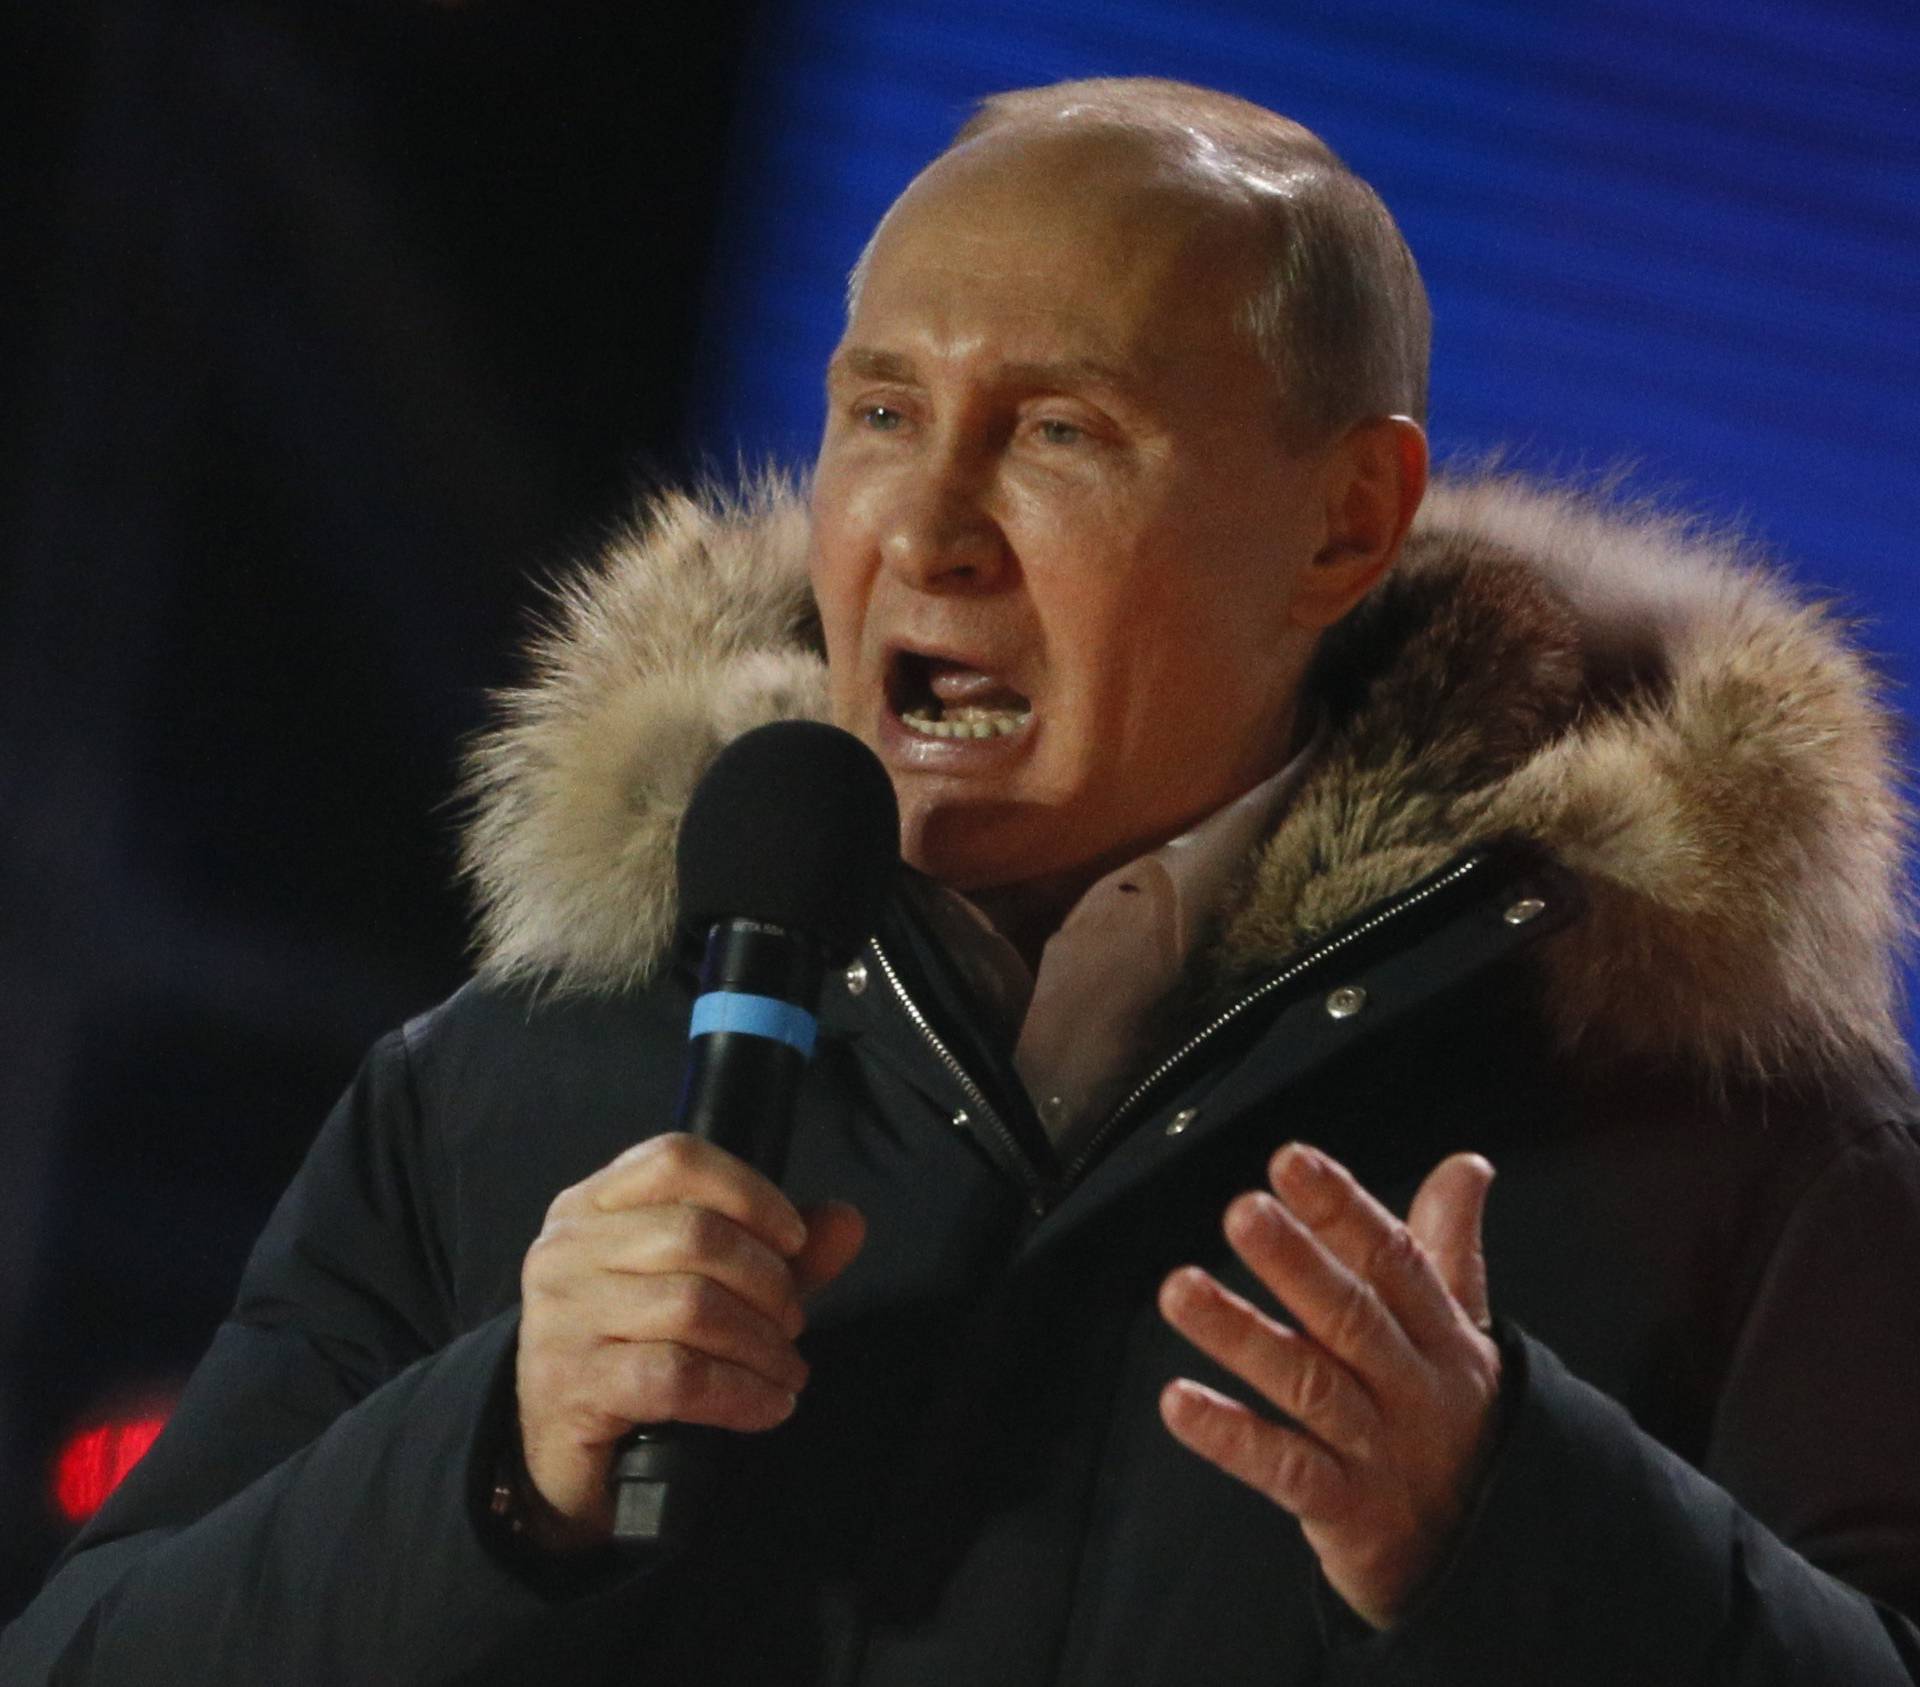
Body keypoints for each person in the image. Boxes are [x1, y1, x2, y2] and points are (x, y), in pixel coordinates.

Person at [5, 76, 1919, 1685]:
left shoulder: (1723, 1127)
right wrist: (494, 1456)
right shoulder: (508, 1082)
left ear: (1347, 523)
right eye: (882, 413)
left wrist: (1511, 1532)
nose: (924, 529)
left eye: (1063, 433)